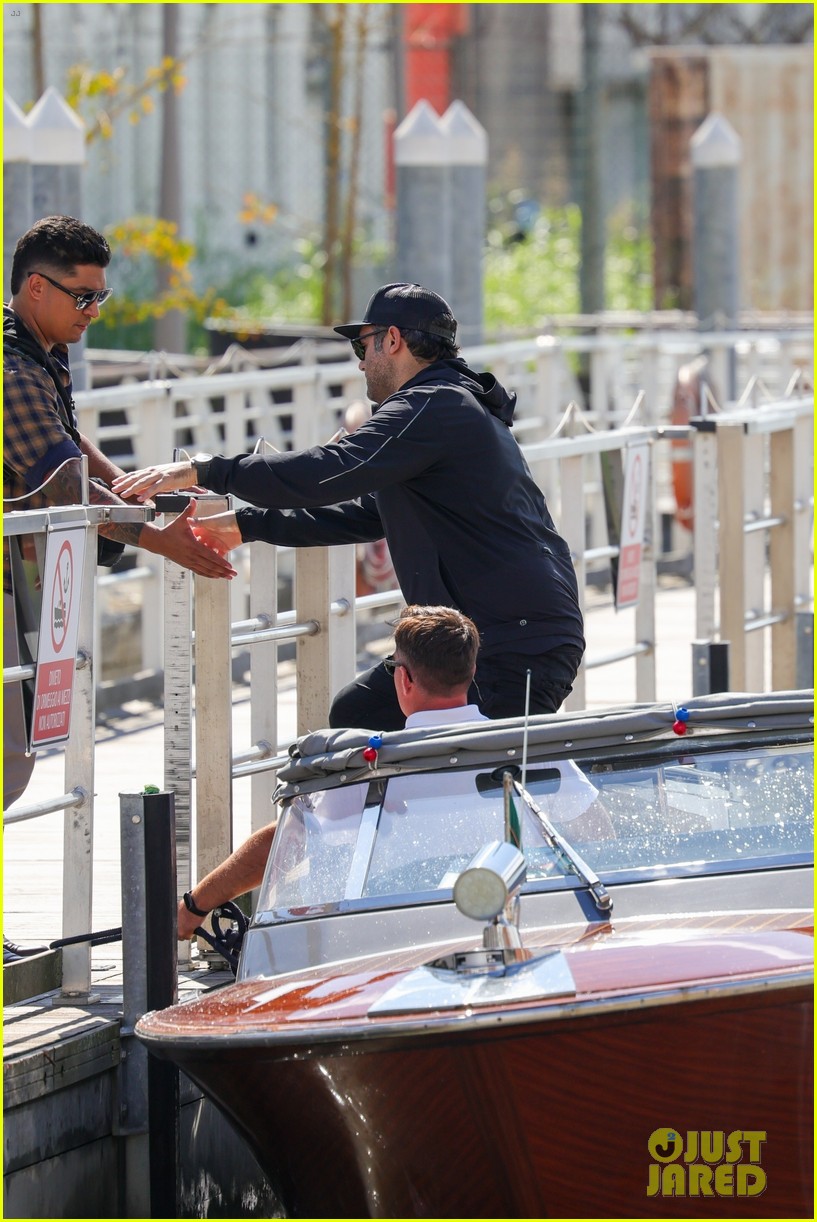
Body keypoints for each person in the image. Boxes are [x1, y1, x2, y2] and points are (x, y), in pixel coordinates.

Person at [112, 281, 585, 731]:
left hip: (512, 638)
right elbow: (366, 513)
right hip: (486, 635)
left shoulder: (432, 405)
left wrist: (206, 470)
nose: (360, 364)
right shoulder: (449, 405)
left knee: (483, 770)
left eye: (362, 346)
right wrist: (248, 523)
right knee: (361, 713)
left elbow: (328, 469)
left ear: (392, 340)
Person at [3, 216, 235, 961]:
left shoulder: (40, 351)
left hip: (19, 576)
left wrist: (138, 494)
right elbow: (59, 485)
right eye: (82, 297)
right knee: (9, 758)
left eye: (100, 298)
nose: (93, 313)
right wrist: (157, 535)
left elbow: (72, 451)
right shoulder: (10, 368)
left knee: (13, 754)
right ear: (34, 288)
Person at [178, 605, 606, 941]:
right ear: (471, 671)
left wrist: (194, 906)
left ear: (403, 679)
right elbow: (597, 832)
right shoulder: (530, 751)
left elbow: (286, 843)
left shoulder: (366, 767)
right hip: (523, 926)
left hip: (402, 938)